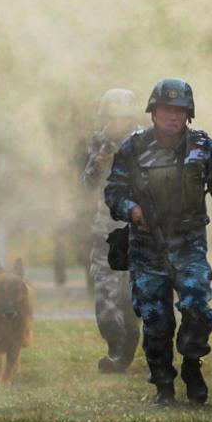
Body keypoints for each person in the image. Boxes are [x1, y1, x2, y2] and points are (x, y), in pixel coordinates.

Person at [104, 78, 212, 405]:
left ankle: (192, 364)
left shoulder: (202, 147)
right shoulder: (134, 148)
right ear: (153, 112)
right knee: (156, 321)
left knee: (197, 308)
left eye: (179, 110)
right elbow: (113, 191)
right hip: (147, 248)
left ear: (188, 114)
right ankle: (163, 384)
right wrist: (132, 209)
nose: (172, 116)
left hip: (189, 245)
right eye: (166, 109)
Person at [79, 88, 141, 373]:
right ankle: (115, 349)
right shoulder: (99, 142)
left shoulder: (146, 142)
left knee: (130, 299)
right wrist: (97, 166)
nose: (115, 123)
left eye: (121, 118)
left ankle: (128, 346)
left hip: (138, 230)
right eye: (110, 117)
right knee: (105, 297)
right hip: (106, 230)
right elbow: (86, 184)